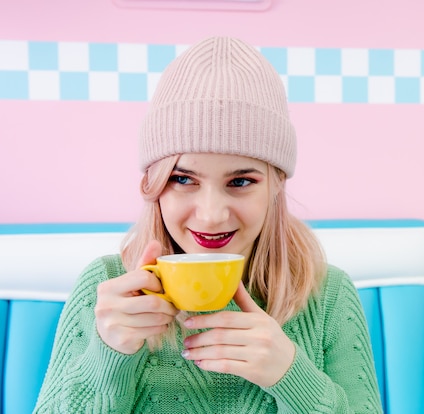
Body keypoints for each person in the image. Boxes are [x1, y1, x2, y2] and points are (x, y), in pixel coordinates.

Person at [34, 36, 383, 413]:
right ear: (155, 184)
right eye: (183, 179)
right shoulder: (106, 288)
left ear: (278, 182)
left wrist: (291, 374)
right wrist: (110, 355)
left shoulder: (327, 295)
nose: (211, 215)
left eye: (241, 181)